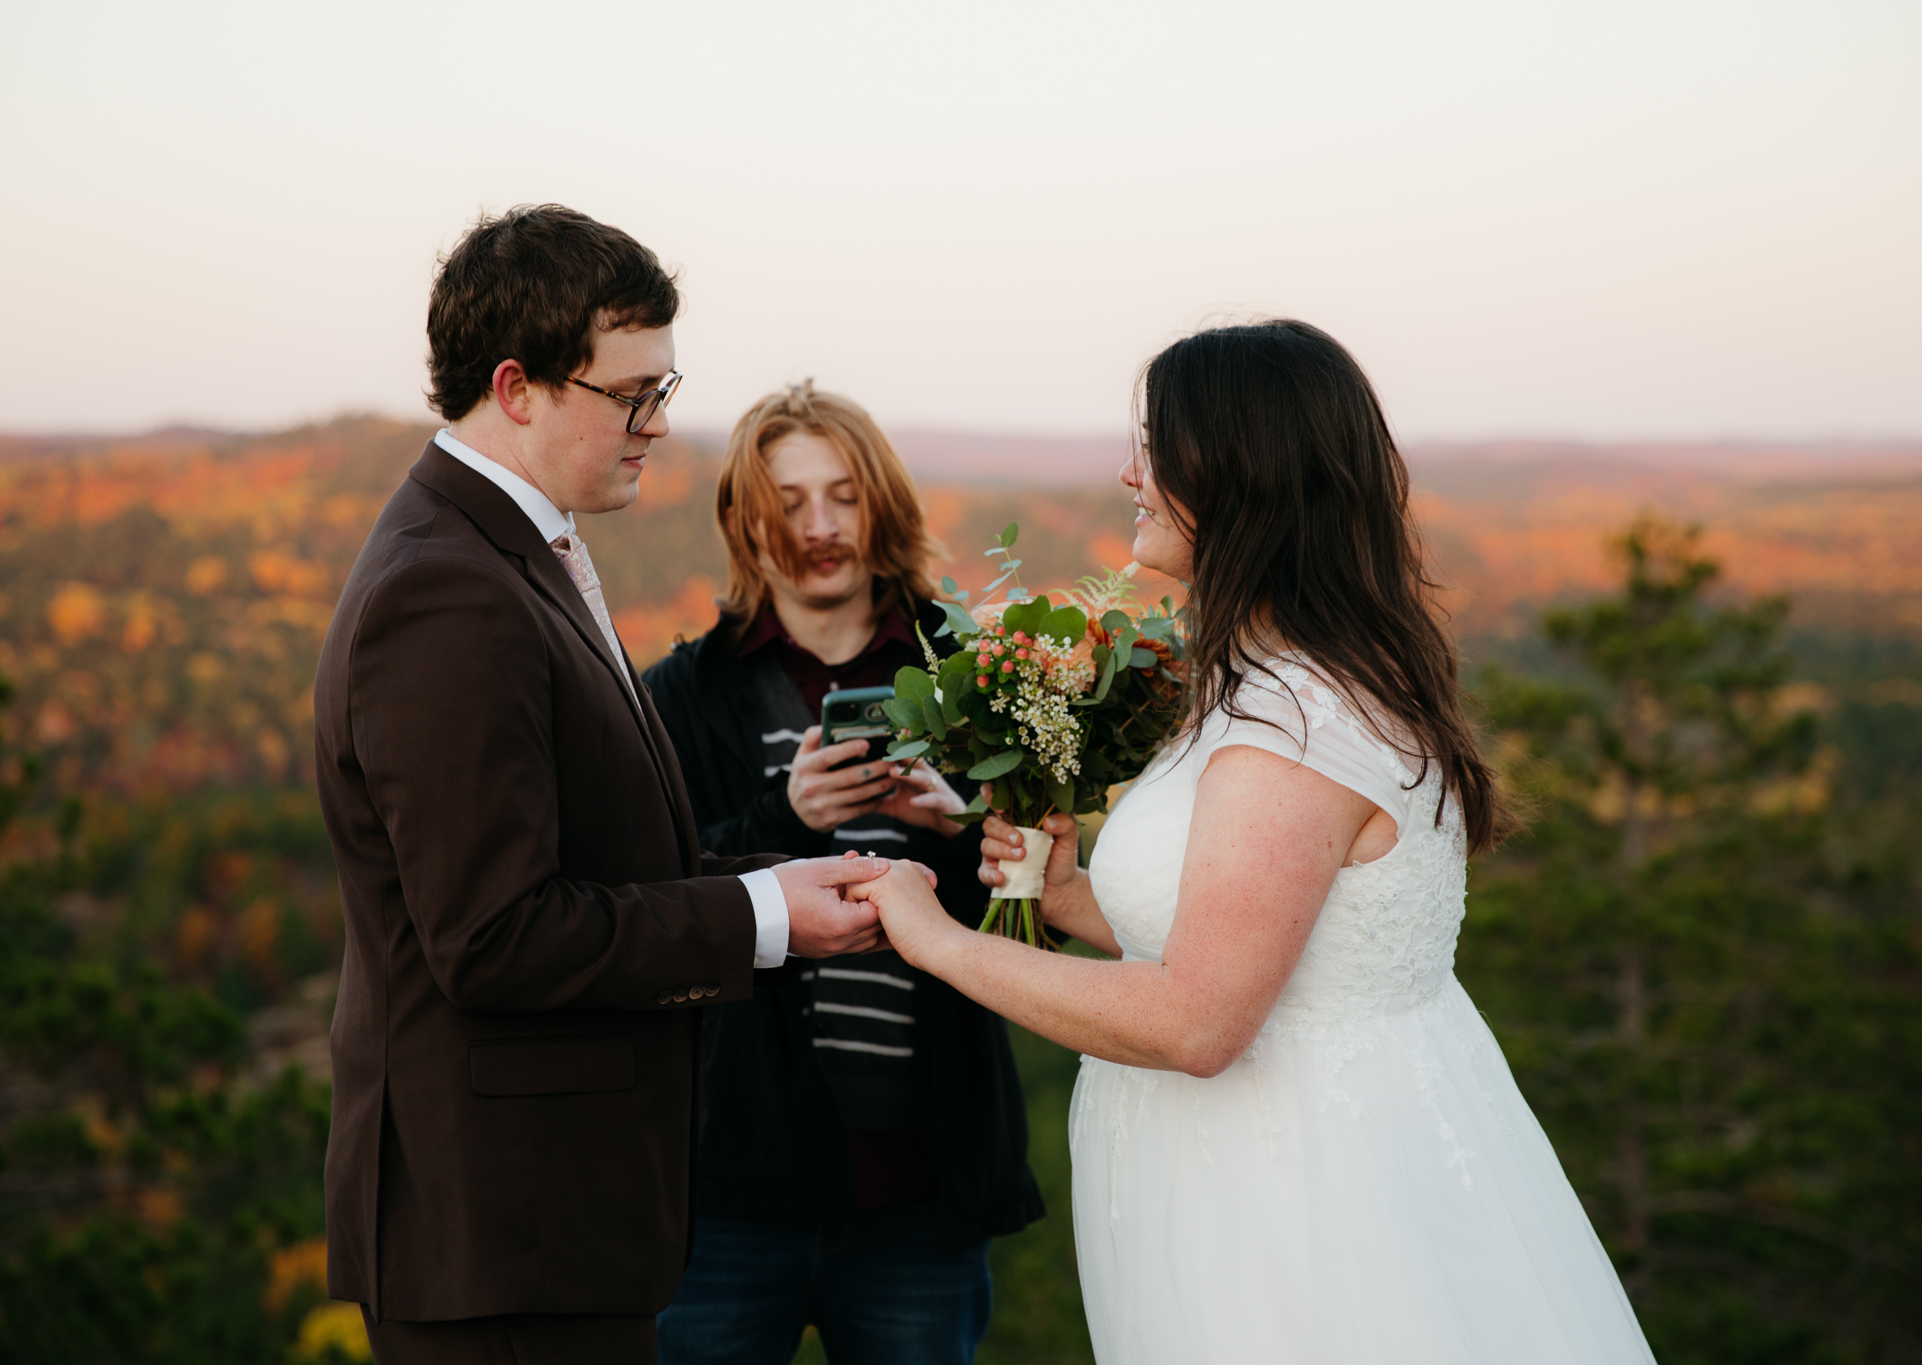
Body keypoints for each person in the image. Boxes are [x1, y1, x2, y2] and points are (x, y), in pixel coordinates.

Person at [849, 323, 1659, 1362]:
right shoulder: (1286, 678)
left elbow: (1197, 1021)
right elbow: (1269, 948)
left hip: (1296, 1199)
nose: (1126, 473)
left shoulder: (1294, 720)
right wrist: (1073, 900)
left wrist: (936, 940)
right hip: (1272, 1163)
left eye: (1155, 446)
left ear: (1240, 473)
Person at [312, 206, 907, 1365]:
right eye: (631, 394)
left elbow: (601, 866)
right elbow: (494, 937)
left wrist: (785, 882)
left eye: (663, 387)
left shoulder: (518, 551)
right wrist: (766, 917)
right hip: (501, 1235)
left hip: (554, 1224)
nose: (659, 425)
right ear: (517, 387)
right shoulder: (446, 591)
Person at [643, 383, 1043, 1365]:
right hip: (730, 1190)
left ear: (883, 507)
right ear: (742, 521)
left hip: (923, 1189)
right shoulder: (681, 696)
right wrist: (787, 816)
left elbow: (1042, 922)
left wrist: (962, 829)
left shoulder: (980, 676)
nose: (818, 528)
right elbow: (644, 911)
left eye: (843, 496)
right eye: (787, 501)